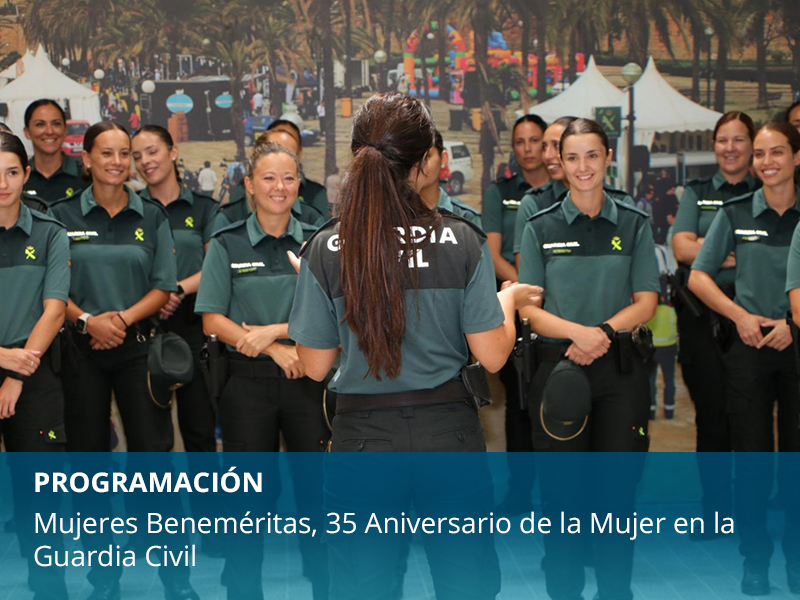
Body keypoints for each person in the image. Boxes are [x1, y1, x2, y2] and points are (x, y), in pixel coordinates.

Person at [287, 93, 541, 599]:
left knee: (362, 587)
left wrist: (327, 299)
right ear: (426, 162)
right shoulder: (463, 241)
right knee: (465, 584)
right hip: (449, 439)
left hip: (361, 445)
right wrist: (507, 301)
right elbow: (491, 356)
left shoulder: (326, 247)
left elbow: (315, 367)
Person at [49, 122, 198, 600]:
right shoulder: (59, 215)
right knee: (87, 468)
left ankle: (176, 580)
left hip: (138, 351)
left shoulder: (150, 214)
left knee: (154, 464)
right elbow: (50, 288)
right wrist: (89, 321)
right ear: (86, 159)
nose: (116, 162)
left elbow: (164, 284)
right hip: (79, 351)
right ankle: (103, 581)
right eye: (105, 153)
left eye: (123, 154)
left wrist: (120, 320)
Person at [518, 118, 659, 600]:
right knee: (562, 500)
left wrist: (599, 334)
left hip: (620, 374)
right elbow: (529, 310)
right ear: (559, 161)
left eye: (592, 156)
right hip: (557, 376)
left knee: (616, 499)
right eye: (572, 157)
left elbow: (646, 302)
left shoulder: (635, 223)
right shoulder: (540, 226)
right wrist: (579, 334)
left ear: (608, 157)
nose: (583, 167)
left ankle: (615, 592)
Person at [196, 141, 328, 599]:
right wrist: (275, 348)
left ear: (299, 185)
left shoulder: (320, 240)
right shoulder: (228, 241)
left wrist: (272, 331)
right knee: (246, 501)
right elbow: (213, 319)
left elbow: (337, 310)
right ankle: (243, 588)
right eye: (268, 178)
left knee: (318, 495)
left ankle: (325, 583)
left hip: (311, 383)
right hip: (246, 385)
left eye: (288, 178)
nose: (279, 187)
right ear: (249, 185)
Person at [690, 120, 800, 597]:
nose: (767, 162)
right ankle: (754, 560)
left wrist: (792, 327)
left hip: (797, 346)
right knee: (752, 462)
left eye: (777, 152)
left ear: (797, 158)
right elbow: (698, 276)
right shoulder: (735, 212)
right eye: (760, 154)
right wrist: (740, 316)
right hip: (750, 349)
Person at [671, 111, 760, 538]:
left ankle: (750, 514)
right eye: (722, 140)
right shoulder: (698, 190)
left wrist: (713, 250)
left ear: (752, 145)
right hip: (703, 322)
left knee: (751, 422)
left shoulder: (770, 191)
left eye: (739, 140)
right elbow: (681, 246)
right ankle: (715, 513)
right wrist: (735, 247)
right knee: (712, 420)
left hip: (753, 318)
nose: (730, 148)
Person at [0, 130, 70, 600]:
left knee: (40, 500)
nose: (2, 183)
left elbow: (55, 309)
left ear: (27, 175)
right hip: (13, 362)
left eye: (10, 172)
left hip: (35, 376)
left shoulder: (50, 233)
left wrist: (15, 372)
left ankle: (50, 590)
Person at [213, 122, 327, 230]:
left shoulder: (313, 219)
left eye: (289, 154)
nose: (280, 159)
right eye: (272, 151)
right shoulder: (228, 219)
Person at [22, 99, 84, 204]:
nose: (49, 131)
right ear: (27, 132)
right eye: (40, 124)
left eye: (56, 124)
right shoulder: (19, 177)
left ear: (65, 130)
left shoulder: (85, 176)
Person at [419, 130, 482, 228]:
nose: (418, 165)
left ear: (443, 158)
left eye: (426, 157)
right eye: (411, 157)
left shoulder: (465, 218)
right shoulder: (392, 216)